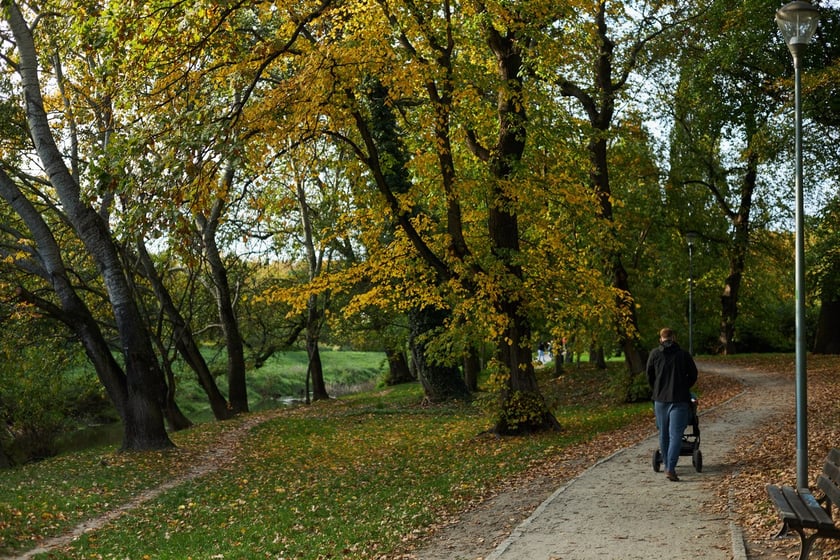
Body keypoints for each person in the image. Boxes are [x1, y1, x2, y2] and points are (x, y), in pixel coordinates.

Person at [646, 327, 698, 482]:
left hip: (660, 400)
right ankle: (670, 468)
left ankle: (667, 464)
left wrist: (656, 389)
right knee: (676, 435)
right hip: (679, 399)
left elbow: (649, 375)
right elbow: (693, 374)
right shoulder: (683, 355)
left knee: (664, 433)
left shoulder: (655, 354)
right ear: (673, 338)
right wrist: (684, 386)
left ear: (661, 339)